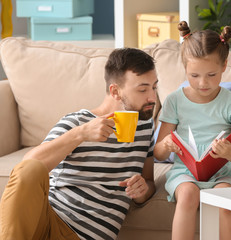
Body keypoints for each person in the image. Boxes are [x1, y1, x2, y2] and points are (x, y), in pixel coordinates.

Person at [0, 48, 158, 240]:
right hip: (48, 221)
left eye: (154, 87)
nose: (152, 98)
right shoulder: (77, 122)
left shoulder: (144, 127)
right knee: (30, 169)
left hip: (83, 237)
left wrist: (142, 191)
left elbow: (149, 182)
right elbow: (29, 166)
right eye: (143, 89)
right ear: (115, 91)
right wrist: (81, 134)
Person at [153, 21, 231, 240]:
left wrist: (230, 153)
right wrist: (166, 144)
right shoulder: (175, 100)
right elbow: (158, 153)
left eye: (211, 75)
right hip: (186, 172)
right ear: (185, 68)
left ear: (224, 66)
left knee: (225, 200)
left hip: (225, 172)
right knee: (188, 195)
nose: (202, 83)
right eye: (194, 75)